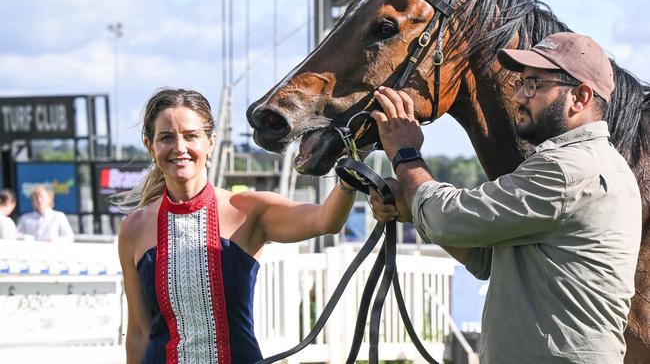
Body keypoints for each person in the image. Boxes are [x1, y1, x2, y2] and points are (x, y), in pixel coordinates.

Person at [368, 32, 641, 363]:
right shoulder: (598, 164)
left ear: (580, 97)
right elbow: (487, 259)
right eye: (520, 83)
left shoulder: (566, 169)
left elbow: (445, 220)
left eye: (534, 84)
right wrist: (413, 206)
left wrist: (406, 154)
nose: (519, 96)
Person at [116, 88, 357, 364]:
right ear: (150, 145)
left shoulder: (249, 210)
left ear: (210, 142)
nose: (179, 148)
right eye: (167, 138)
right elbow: (138, 333)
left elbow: (327, 220)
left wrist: (351, 172)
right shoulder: (133, 228)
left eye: (191, 135)